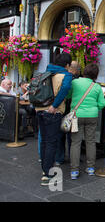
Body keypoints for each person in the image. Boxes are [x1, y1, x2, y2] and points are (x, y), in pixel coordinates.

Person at [35, 52, 73, 186]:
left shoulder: (46, 72)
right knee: (51, 142)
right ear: (67, 65)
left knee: (44, 140)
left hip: (40, 110)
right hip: (53, 112)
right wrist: (55, 104)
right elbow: (66, 87)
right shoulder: (66, 74)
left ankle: (44, 169)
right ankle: (47, 174)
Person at [68, 63, 105, 179]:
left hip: (77, 115)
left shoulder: (75, 82)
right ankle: (90, 168)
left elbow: (68, 96)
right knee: (91, 141)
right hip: (92, 116)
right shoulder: (97, 86)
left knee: (75, 142)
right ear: (95, 75)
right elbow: (102, 104)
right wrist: (94, 109)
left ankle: (74, 171)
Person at [55, 60, 82, 166]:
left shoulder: (61, 76)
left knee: (60, 134)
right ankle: (73, 157)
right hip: (71, 110)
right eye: (79, 69)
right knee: (72, 136)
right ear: (76, 69)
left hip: (61, 109)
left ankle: (59, 158)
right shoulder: (74, 79)